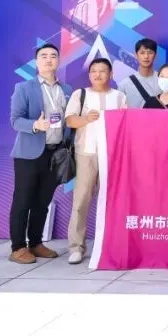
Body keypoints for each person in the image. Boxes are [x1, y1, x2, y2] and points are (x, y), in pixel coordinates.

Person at [8, 43, 72, 264]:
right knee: (23, 200)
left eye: (53, 56)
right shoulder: (24, 88)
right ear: (36, 62)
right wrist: (35, 125)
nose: (48, 59)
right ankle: (17, 247)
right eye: (43, 56)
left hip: (55, 154)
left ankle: (35, 243)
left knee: (43, 201)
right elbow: (15, 120)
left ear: (58, 61)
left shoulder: (67, 90)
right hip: (29, 154)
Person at [64, 57, 127, 264]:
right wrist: (85, 119)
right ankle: (76, 247)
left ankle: (111, 245)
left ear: (111, 74)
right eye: (94, 71)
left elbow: (126, 124)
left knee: (113, 201)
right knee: (81, 200)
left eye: (102, 71)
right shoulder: (80, 94)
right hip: (86, 153)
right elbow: (70, 120)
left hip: (113, 155)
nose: (97, 74)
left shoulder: (119, 96)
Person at [121, 38, 160, 109]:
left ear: (155, 56)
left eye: (150, 53)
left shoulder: (163, 81)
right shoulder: (124, 84)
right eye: (142, 53)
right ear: (136, 55)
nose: (146, 56)